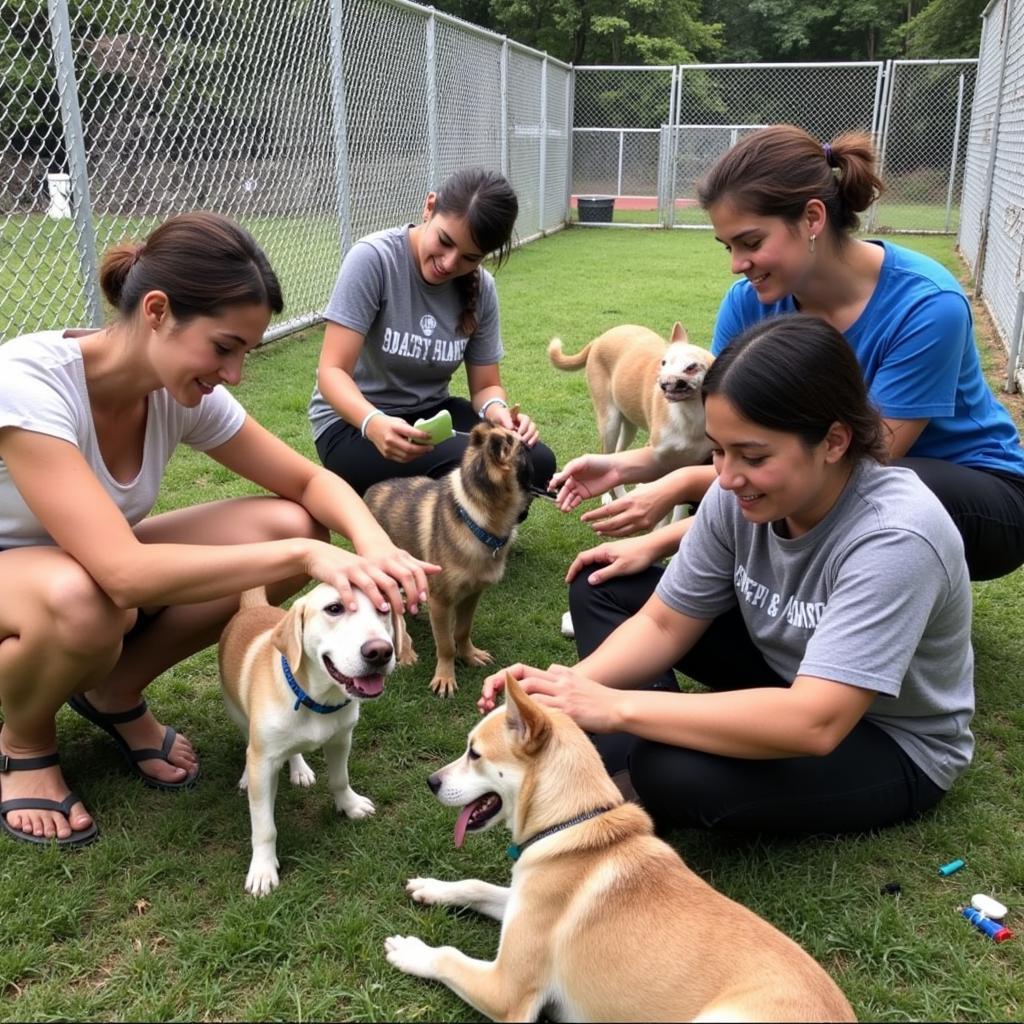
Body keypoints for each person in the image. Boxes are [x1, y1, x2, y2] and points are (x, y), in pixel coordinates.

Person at [0, 212, 436, 848]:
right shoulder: (30, 380)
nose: (233, 374)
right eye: (224, 347)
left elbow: (311, 485)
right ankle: (25, 741)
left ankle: (114, 692)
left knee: (290, 520)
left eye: (244, 354)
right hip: (29, 570)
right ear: (156, 311)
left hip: (82, 560)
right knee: (87, 603)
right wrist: (310, 554)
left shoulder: (181, 391)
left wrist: (374, 547)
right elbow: (121, 574)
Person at [481, 315, 975, 835]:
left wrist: (617, 706)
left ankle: (635, 767)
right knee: (605, 583)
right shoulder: (733, 493)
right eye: (717, 449)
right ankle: (629, 766)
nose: (726, 476)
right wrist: (566, 687)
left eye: (753, 455)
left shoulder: (895, 536)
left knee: (670, 773)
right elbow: (665, 624)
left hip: (883, 734)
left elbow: (816, 721)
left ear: (833, 441)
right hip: (785, 676)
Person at [553, 124, 1024, 583]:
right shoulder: (747, 302)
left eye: (751, 242)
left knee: (851, 493)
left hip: (973, 493)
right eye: (729, 246)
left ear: (813, 219)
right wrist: (626, 465)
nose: (738, 264)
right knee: (739, 482)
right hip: (839, 471)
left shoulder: (927, 306)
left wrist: (669, 516)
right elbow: (728, 439)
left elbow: (855, 466)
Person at [309, 166, 555, 499]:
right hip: (353, 427)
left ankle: (459, 525)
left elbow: (485, 387)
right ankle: (440, 525)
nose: (450, 263)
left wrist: (500, 415)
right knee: (468, 465)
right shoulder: (373, 260)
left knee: (535, 460)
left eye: (470, 257)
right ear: (429, 206)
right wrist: (375, 423)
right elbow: (331, 372)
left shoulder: (482, 288)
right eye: (445, 241)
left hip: (431, 418)